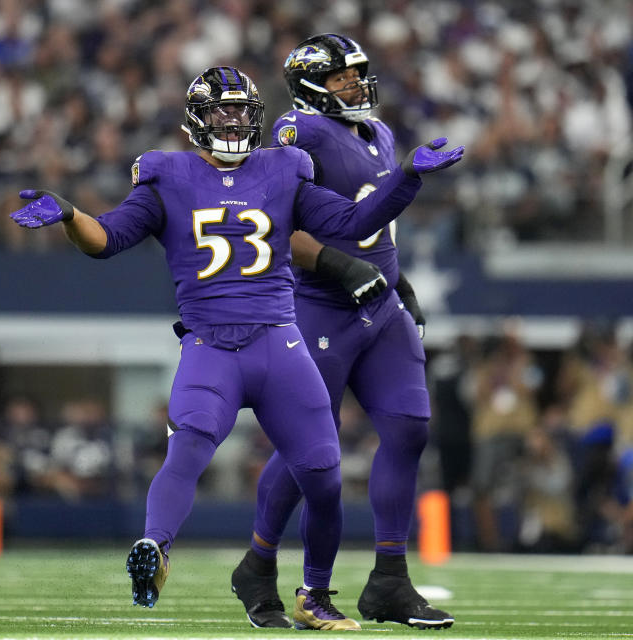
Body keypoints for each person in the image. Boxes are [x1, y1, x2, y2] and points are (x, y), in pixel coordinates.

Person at [10, 65, 462, 630]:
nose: (232, 122)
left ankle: (313, 596)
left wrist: (407, 176)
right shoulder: (166, 175)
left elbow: (353, 220)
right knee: (190, 447)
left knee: (323, 476)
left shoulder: (283, 167)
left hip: (279, 340)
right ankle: (155, 547)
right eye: (220, 112)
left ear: (257, 117)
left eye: (242, 112)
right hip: (212, 344)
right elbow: (107, 239)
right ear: (195, 119)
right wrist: (72, 216)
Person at [230, 34, 456, 630]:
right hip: (317, 306)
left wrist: (397, 280)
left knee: (409, 429)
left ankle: (389, 580)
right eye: (339, 77)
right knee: (312, 450)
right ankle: (258, 562)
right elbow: (272, 223)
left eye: (357, 73)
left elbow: (377, 219)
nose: (354, 84)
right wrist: (335, 264)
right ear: (310, 86)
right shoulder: (294, 134)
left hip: (379, 307)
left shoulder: (378, 132)